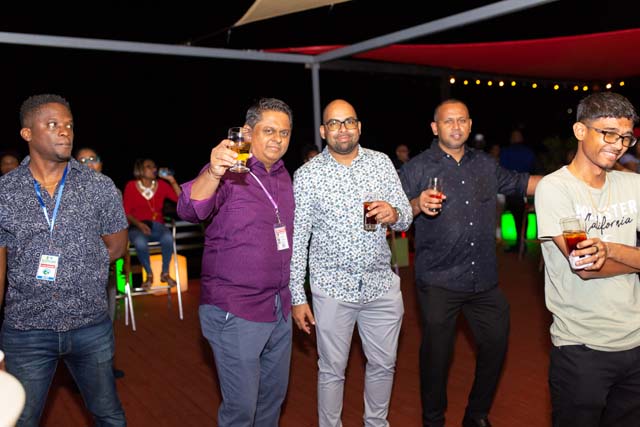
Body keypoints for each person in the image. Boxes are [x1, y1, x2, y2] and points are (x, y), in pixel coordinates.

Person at [398, 99, 541, 427]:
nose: (456, 126)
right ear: (435, 127)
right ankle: (433, 420)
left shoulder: (486, 164)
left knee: (496, 343)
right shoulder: (418, 168)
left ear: (470, 124)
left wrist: (571, 178)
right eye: (448, 121)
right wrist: (417, 203)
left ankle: (476, 415)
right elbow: (395, 212)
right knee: (437, 358)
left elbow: (522, 183)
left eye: (462, 120)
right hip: (438, 280)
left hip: (482, 279)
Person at [0, 93, 128, 425]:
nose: (64, 131)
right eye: (53, 124)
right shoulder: (5, 192)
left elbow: (116, 247)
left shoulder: (99, 187)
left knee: (108, 414)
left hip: (90, 325)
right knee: (19, 418)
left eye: (69, 125)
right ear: (27, 133)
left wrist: (79, 268)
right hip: (27, 329)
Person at [290, 99, 412, 427]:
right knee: (332, 371)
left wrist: (395, 213)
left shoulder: (381, 163)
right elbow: (298, 240)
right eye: (334, 123)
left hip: (381, 287)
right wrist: (297, 296)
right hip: (332, 288)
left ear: (359, 127)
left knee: (383, 366)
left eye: (348, 122)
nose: (342, 129)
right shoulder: (307, 176)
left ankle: (377, 424)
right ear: (323, 131)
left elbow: (405, 215)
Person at [177, 97, 294, 427]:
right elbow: (190, 209)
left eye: (284, 133)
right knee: (241, 411)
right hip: (236, 310)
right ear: (247, 131)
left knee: (271, 403)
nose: (277, 139)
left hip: (279, 307)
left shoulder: (283, 175)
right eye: (269, 130)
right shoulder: (230, 170)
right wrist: (214, 170)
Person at [535, 92, 640, 427]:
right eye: (608, 134)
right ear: (580, 130)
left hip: (635, 341)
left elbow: (599, 257)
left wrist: (610, 249)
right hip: (581, 349)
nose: (618, 144)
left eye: (625, 137)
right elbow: (586, 267)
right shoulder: (555, 188)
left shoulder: (634, 184)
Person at [75, 146, 125, 379]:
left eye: (92, 159)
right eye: (82, 160)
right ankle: (79, 373)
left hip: (106, 264)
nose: (88, 164)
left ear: (101, 163)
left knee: (107, 316)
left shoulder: (113, 191)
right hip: (77, 270)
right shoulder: (64, 193)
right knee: (79, 322)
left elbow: (118, 233)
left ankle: (105, 367)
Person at [123, 157, 181, 289]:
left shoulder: (162, 185)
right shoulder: (131, 186)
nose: (154, 169)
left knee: (168, 237)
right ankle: (149, 275)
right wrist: (139, 224)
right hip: (137, 226)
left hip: (157, 226)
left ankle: (165, 273)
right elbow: (126, 212)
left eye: (154, 166)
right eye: (149, 166)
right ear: (140, 170)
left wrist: (172, 181)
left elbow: (181, 200)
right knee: (140, 242)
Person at [500, 129, 537, 251]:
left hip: (520, 187)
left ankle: (520, 243)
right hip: (518, 187)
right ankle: (521, 242)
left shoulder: (515, 151)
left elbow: (503, 168)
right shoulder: (513, 151)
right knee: (520, 214)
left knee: (520, 214)